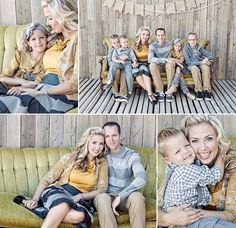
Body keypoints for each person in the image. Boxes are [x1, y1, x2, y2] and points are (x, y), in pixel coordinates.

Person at [13, 127, 108, 228]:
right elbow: (46, 179)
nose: (97, 147)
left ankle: (40, 210)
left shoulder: (102, 163)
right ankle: (41, 206)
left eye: (101, 144)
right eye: (94, 142)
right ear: (87, 142)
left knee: (80, 216)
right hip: (58, 191)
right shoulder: (71, 157)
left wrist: (81, 196)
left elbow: (102, 189)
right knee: (64, 203)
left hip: (79, 199)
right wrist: (35, 200)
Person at [0, 0, 78, 113]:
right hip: (40, 86)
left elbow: (75, 83)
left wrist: (41, 91)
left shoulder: (77, 40)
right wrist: (24, 85)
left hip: (58, 92)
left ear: (63, 16)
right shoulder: (54, 38)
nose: (48, 22)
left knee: (6, 105)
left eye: (50, 18)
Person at [158, 115, 236, 227]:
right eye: (194, 141)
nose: (203, 147)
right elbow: (160, 202)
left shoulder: (232, 165)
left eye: (209, 138)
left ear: (218, 139)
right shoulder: (183, 166)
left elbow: (234, 216)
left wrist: (191, 215)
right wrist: (167, 218)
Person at [94, 121, 147, 228]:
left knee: (137, 197)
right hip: (106, 196)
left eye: (114, 135)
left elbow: (142, 178)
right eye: (107, 136)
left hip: (125, 196)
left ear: (120, 136)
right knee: (101, 198)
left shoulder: (131, 155)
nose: (111, 139)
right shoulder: (100, 154)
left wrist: (120, 196)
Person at [0, 23, 48, 96]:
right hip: (8, 87)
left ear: (46, 38)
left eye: (41, 37)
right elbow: (3, 78)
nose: (38, 42)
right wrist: (22, 81)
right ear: (28, 43)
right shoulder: (21, 55)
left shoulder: (48, 57)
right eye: (33, 39)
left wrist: (21, 88)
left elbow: (37, 83)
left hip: (28, 91)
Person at [183, 33, 213, 101]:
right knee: (195, 69)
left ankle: (207, 90)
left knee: (206, 67)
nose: (193, 41)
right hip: (191, 65)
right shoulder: (185, 49)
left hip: (200, 63)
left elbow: (210, 55)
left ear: (197, 40)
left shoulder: (199, 47)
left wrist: (207, 59)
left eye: (194, 39)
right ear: (188, 41)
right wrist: (202, 62)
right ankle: (199, 91)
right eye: (191, 39)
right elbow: (188, 62)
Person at [148, 27, 175, 102]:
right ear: (156, 36)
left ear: (165, 35)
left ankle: (169, 91)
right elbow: (150, 59)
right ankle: (160, 91)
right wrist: (165, 59)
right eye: (159, 35)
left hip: (167, 65)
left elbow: (179, 46)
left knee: (170, 64)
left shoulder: (170, 44)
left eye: (162, 35)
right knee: (152, 65)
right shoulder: (152, 45)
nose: (161, 37)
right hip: (158, 65)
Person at [131, 26, 156, 105]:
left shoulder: (151, 45)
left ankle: (149, 94)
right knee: (136, 71)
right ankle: (150, 93)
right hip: (136, 63)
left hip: (146, 63)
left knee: (143, 68)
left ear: (149, 36)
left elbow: (152, 57)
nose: (145, 36)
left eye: (147, 35)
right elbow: (131, 55)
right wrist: (134, 62)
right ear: (140, 34)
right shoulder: (134, 44)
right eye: (143, 34)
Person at [104, 34, 128, 103]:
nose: (116, 44)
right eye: (114, 43)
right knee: (116, 71)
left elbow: (128, 56)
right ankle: (115, 91)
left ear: (120, 42)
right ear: (111, 44)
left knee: (124, 74)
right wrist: (116, 63)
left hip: (124, 66)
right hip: (116, 67)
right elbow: (110, 61)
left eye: (117, 42)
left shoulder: (124, 48)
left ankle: (123, 93)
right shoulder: (111, 50)